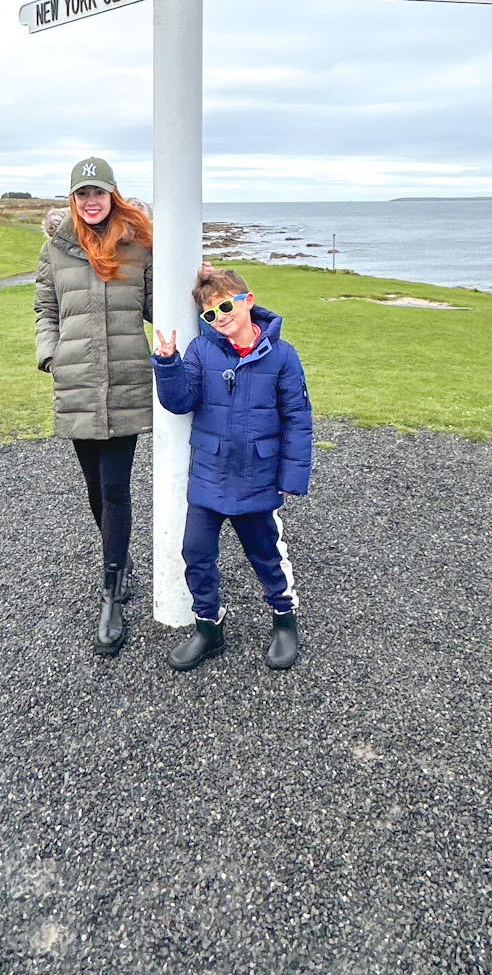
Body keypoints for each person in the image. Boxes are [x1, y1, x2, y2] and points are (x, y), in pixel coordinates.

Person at [152, 265, 313, 672]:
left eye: (225, 305)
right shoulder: (201, 351)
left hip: (257, 477)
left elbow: (297, 418)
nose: (219, 316)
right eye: (209, 313)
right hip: (209, 474)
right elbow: (180, 401)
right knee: (196, 553)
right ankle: (209, 628)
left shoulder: (282, 355)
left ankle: (284, 620)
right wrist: (168, 364)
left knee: (266, 555)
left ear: (248, 301)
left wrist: (292, 476)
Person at [35, 157, 154, 656]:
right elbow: (45, 308)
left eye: (98, 192)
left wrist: (205, 281)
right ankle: (119, 562)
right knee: (92, 488)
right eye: (82, 193)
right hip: (78, 381)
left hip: (125, 381)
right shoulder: (55, 249)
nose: (90, 201)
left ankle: (110, 596)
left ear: (113, 194)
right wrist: (50, 354)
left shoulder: (138, 247)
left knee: (115, 487)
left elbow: (158, 306)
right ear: (72, 198)